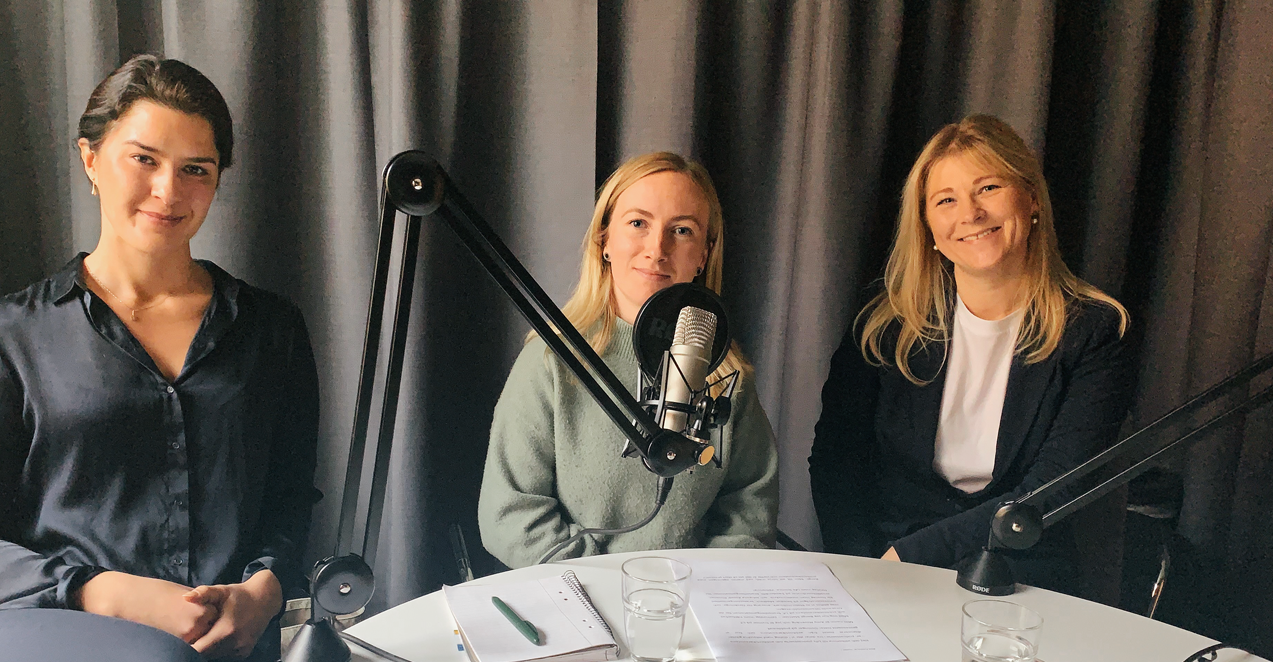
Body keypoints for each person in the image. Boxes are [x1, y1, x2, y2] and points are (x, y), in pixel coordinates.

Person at [0, 55, 321, 661]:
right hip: (34, 625)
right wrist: (103, 593)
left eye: (196, 170)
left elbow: (290, 500)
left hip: (221, 640)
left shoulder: (271, 330)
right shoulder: (7, 336)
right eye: (144, 159)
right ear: (90, 160)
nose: (169, 190)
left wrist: (264, 589)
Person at [809, 114, 1134, 594]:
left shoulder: (1095, 331)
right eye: (946, 200)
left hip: (1023, 576)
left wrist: (912, 557)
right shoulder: (883, 328)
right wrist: (863, 569)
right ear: (929, 228)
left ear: (1032, 199)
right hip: (885, 569)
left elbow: (1053, 488)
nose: (971, 213)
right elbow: (835, 462)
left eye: (988, 189)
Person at [477, 152, 779, 568]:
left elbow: (750, 508)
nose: (657, 249)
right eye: (638, 223)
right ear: (605, 241)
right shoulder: (551, 363)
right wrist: (604, 585)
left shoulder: (727, 377)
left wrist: (695, 590)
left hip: (686, 606)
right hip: (578, 602)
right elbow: (510, 514)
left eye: (683, 230)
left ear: (704, 255)